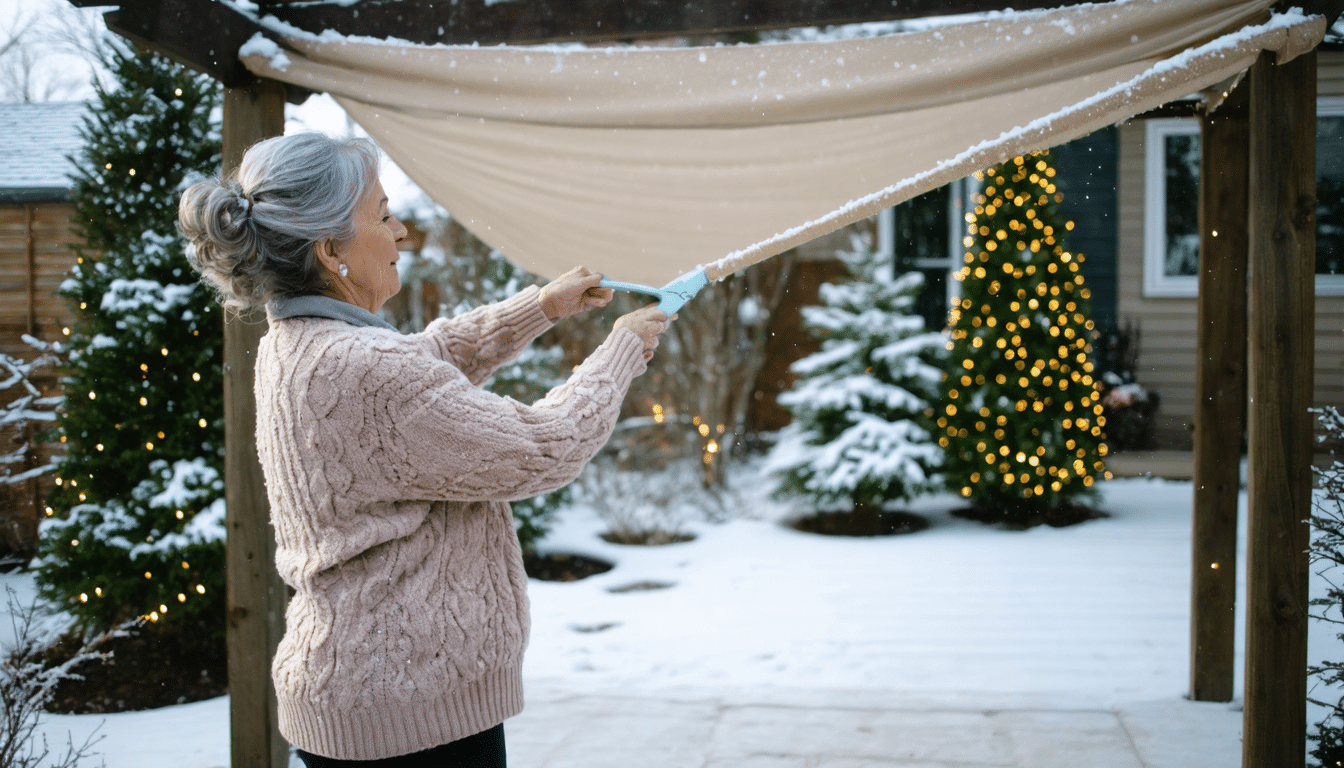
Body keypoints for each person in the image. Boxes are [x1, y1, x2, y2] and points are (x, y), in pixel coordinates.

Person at [178, 132, 668, 767]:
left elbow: (421, 363)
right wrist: (620, 352)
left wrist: (539, 308)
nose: (402, 230)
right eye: (382, 216)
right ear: (331, 251)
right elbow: (547, 447)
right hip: (411, 719)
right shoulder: (364, 367)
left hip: (360, 698)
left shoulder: (299, 342)